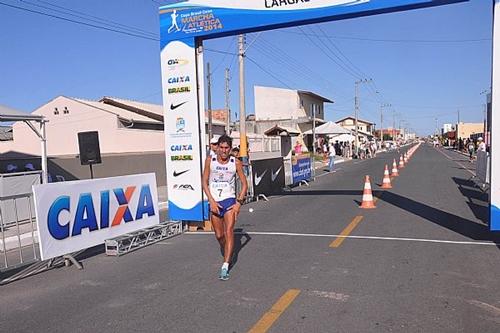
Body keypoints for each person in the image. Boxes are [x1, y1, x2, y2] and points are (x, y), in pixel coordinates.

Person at [202, 135, 248, 281]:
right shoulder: (211, 160)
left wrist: (238, 203)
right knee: (219, 235)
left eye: (226, 148)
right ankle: (227, 249)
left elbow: (244, 184)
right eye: (221, 147)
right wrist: (211, 201)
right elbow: (204, 182)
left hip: (229, 201)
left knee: (228, 232)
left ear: (230, 148)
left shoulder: (236, 162)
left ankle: (225, 265)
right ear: (217, 148)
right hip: (215, 202)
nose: (223, 151)